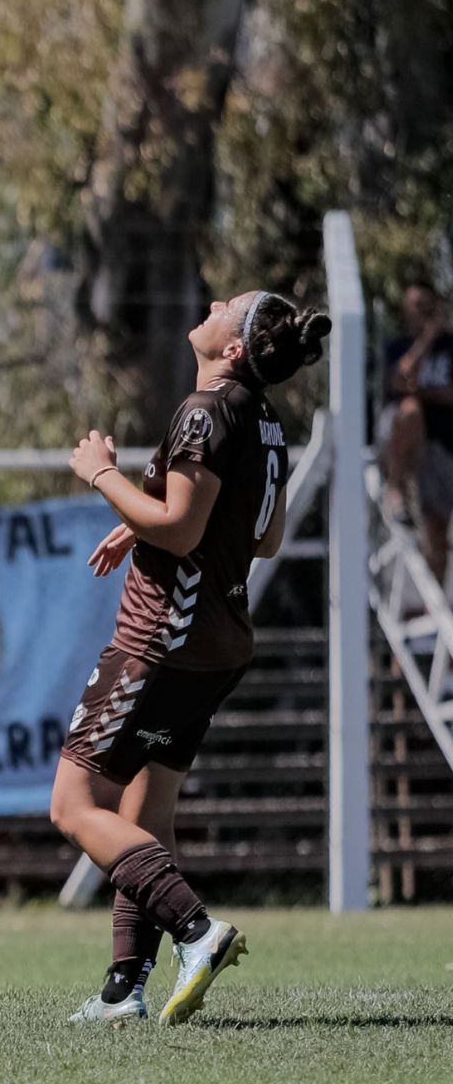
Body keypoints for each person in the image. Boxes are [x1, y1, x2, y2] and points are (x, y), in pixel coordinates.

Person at [60, 290, 330, 1026]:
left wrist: (102, 476)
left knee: (74, 805)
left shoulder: (204, 410)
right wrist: (142, 526)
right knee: (148, 813)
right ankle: (124, 990)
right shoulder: (265, 420)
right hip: (218, 643)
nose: (212, 302)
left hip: (162, 640)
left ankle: (196, 931)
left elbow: (181, 530)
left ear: (233, 347)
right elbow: (261, 536)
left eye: (227, 306)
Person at [379, 280, 453, 582]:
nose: (424, 311)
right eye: (417, 306)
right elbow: (399, 381)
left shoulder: (451, 345)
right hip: (404, 440)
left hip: (442, 445)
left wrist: (419, 390)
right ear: (406, 311)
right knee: (410, 410)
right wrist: (424, 343)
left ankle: (442, 615)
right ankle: (394, 491)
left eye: (428, 305)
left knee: (438, 531)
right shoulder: (398, 346)